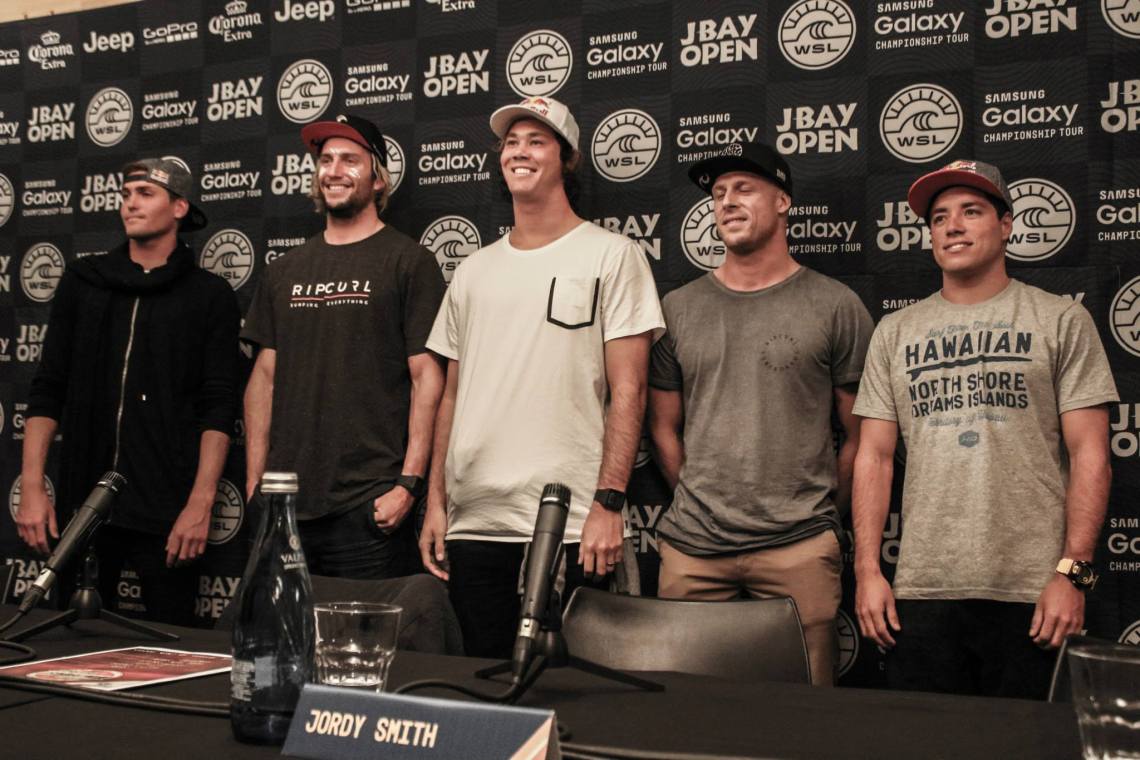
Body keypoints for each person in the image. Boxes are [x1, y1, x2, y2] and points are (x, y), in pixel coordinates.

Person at [852, 159, 1117, 698]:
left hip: (1033, 594)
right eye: (940, 217)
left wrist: (1074, 577)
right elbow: (874, 458)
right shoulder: (895, 332)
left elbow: (1092, 455)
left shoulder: (1060, 320)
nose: (952, 226)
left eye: (971, 211)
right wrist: (866, 572)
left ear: (1007, 225)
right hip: (923, 592)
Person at [419, 96, 665, 658]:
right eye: (510, 142)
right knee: (483, 682)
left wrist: (608, 502)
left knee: (575, 695)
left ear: (566, 158)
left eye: (536, 141)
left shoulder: (612, 255)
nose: (519, 152)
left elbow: (630, 390)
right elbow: (451, 396)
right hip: (475, 518)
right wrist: (436, 503)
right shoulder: (473, 271)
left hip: (573, 520)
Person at [647, 142, 872, 686]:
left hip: (798, 545)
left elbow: (862, 436)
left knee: (807, 719)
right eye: (718, 193)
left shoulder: (835, 305)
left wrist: (820, 517)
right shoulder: (676, 309)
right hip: (693, 548)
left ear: (783, 201)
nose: (727, 201)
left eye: (744, 188)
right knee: (684, 715)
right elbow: (661, 428)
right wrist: (701, 495)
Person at [18, 158, 239, 626]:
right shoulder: (83, 282)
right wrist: (33, 487)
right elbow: (47, 388)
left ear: (180, 206)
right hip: (83, 504)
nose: (130, 203)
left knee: (168, 651)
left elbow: (218, 407)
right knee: (68, 646)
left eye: (145, 193)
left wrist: (200, 504)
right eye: (126, 193)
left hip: (167, 509)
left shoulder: (209, 295)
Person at [242, 114, 445, 579]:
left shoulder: (409, 262)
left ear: (379, 179)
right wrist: (255, 483)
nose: (333, 170)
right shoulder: (284, 270)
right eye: (326, 159)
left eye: (350, 160)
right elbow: (264, 379)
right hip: (284, 507)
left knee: (361, 648)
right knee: (283, 645)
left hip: (368, 507)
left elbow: (427, 378)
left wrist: (408, 486)